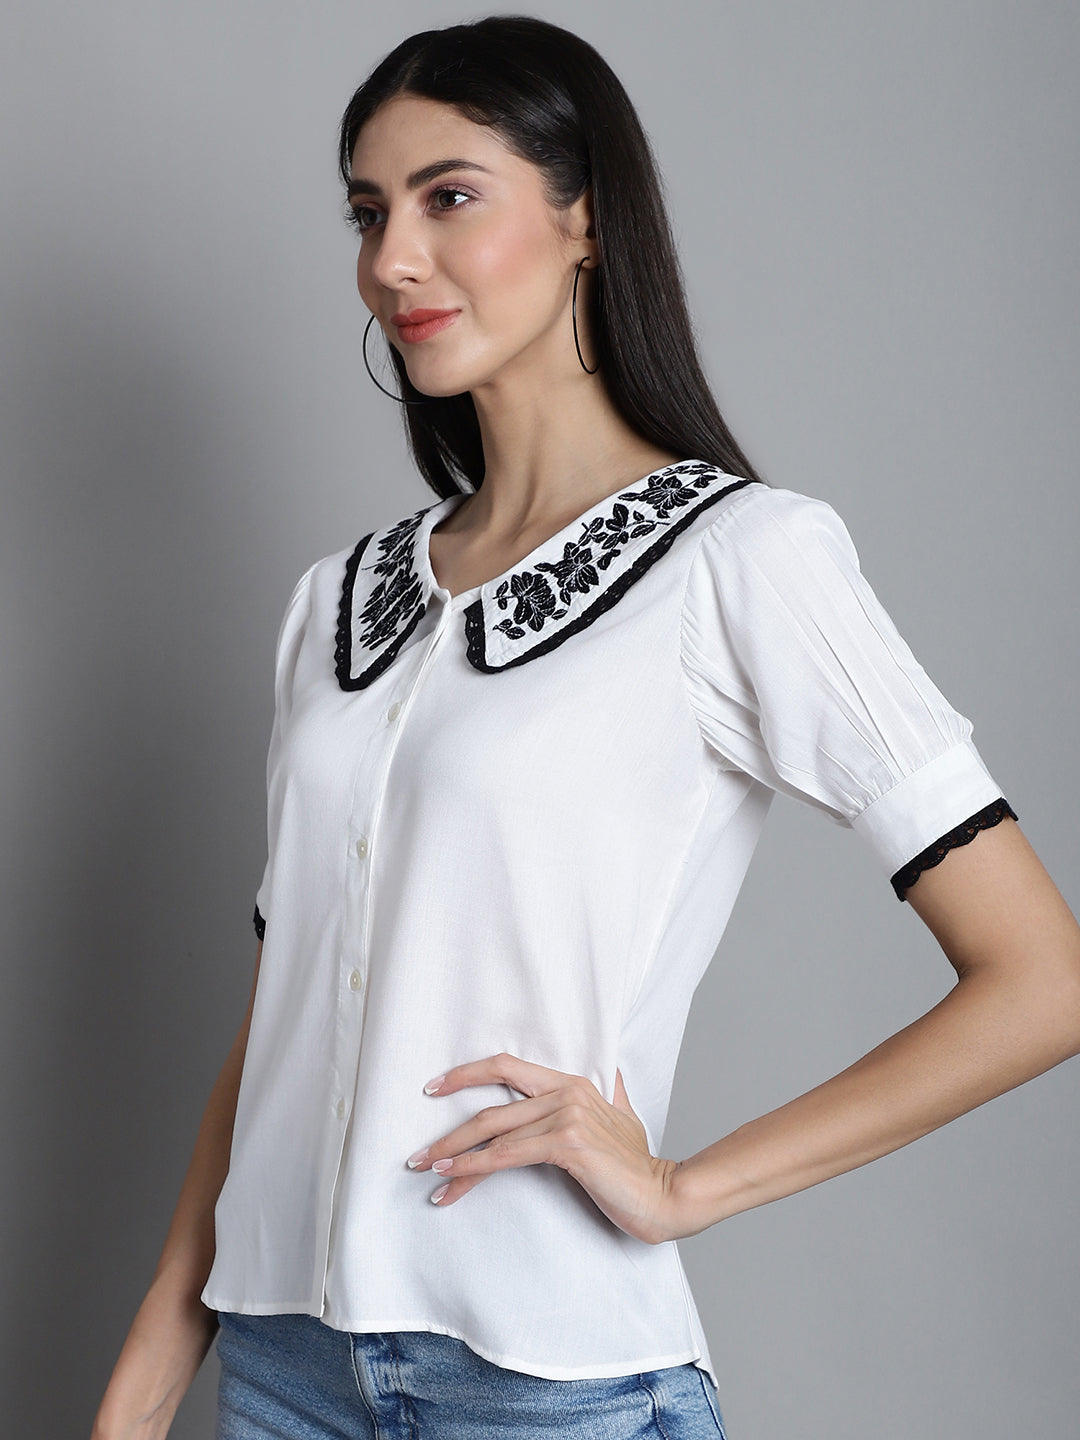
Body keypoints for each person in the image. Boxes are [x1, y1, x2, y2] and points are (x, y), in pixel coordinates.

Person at [90, 15, 1080, 1440]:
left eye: (449, 196)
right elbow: (284, 1013)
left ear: (587, 221)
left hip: (545, 1384)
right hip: (282, 1370)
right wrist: (149, 1369)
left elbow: (1043, 979)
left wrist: (683, 1189)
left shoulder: (743, 561)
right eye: (369, 213)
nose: (393, 260)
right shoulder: (333, 604)